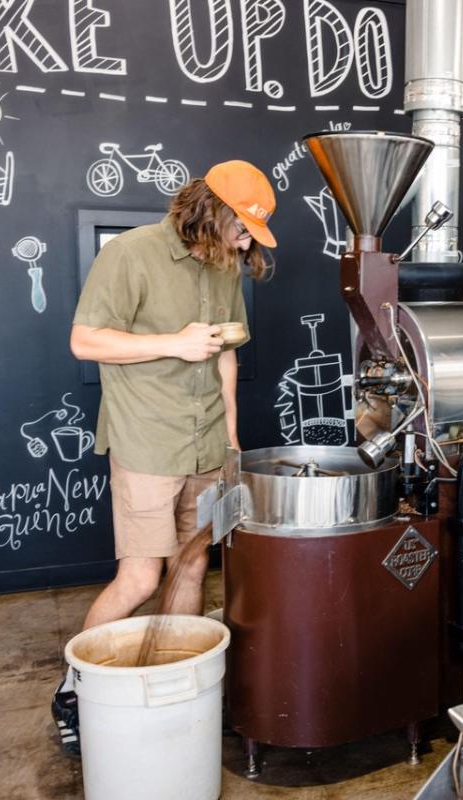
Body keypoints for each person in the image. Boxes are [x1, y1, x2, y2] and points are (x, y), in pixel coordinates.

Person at [51, 161, 277, 756]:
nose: (246, 244)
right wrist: (174, 343)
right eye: (243, 228)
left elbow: (225, 354)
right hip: (147, 441)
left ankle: (179, 683)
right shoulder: (129, 253)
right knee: (142, 577)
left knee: (191, 567)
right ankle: (74, 690)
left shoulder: (225, 266)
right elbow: (85, 340)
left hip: (207, 442)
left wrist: (232, 436)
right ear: (212, 211)